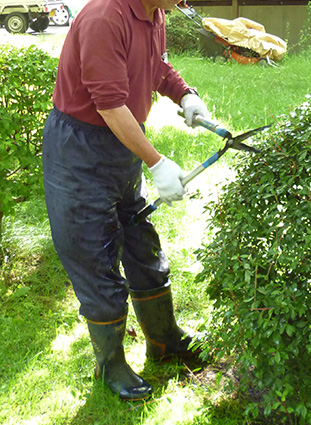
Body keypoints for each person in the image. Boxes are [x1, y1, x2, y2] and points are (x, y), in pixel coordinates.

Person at [42, 0, 208, 401]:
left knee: (141, 242)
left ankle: (164, 339)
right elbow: (111, 105)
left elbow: (157, 67)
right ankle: (111, 364)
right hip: (79, 148)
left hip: (119, 146)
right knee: (93, 253)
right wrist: (157, 163)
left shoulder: (155, 12)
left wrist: (184, 94)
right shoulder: (105, 17)